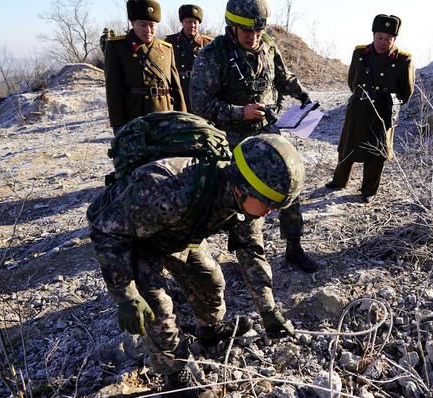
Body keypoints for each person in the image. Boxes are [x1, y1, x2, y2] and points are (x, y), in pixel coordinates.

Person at [87, 116, 302, 398]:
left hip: (178, 233)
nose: (269, 211)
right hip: (135, 239)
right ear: (242, 188)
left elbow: (251, 251)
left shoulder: (243, 202)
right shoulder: (170, 187)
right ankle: (175, 377)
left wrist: (268, 310)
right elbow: (104, 228)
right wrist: (124, 294)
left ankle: (211, 330)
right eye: (267, 203)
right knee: (158, 310)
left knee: (211, 281)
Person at [190, 0, 319, 272]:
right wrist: (240, 112)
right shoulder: (214, 55)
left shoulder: (268, 45)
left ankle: (294, 248)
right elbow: (200, 104)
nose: (254, 37)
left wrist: (302, 94)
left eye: (259, 31)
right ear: (232, 27)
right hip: (231, 139)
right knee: (245, 201)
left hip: (267, 132)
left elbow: (282, 77)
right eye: (248, 32)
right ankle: (247, 257)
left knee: (290, 184)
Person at [325, 14, 414, 203]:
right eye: (379, 37)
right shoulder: (360, 53)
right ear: (374, 35)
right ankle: (339, 181)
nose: (383, 42)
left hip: (382, 111)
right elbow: (352, 80)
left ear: (394, 39)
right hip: (359, 106)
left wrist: (389, 103)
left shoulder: (403, 60)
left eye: (388, 39)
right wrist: (362, 96)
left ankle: (369, 191)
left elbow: (406, 91)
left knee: (376, 152)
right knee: (347, 145)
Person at [104, 0, 186, 135]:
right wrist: (118, 124)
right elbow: (113, 90)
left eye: (152, 25)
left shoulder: (166, 49)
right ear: (132, 23)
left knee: (167, 154)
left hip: (164, 113)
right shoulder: (117, 47)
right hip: (135, 115)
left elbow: (176, 87)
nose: (148, 30)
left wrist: (183, 116)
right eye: (143, 25)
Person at [165, 4, 213, 111]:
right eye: (188, 22)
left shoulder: (208, 44)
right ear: (182, 22)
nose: (192, 25)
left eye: (195, 22)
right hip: (179, 92)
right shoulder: (170, 42)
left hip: (202, 92)